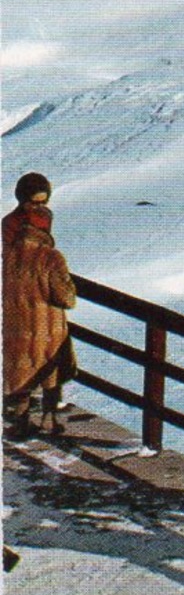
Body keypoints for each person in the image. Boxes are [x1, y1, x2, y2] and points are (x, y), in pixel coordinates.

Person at [3, 173, 76, 439]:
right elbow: (67, 298)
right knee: (50, 370)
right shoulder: (51, 258)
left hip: (16, 319)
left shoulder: (7, 242)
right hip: (47, 325)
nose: (40, 208)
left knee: (20, 369)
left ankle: (20, 422)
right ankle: (49, 418)